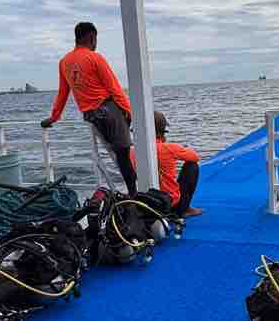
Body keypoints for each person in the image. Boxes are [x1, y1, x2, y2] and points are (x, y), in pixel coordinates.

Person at [41, 21, 138, 196]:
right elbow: (114, 88)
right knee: (124, 154)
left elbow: (63, 93)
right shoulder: (95, 58)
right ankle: (134, 195)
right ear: (91, 37)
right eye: (96, 39)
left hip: (91, 116)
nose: (96, 43)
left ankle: (130, 192)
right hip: (108, 111)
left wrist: (54, 117)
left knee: (119, 154)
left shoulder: (64, 62)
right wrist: (129, 112)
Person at [133, 112, 203, 218]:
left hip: (144, 202)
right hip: (169, 203)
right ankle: (183, 209)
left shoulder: (133, 151)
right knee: (192, 166)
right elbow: (195, 157)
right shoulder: (168, 148)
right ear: (163, 130)